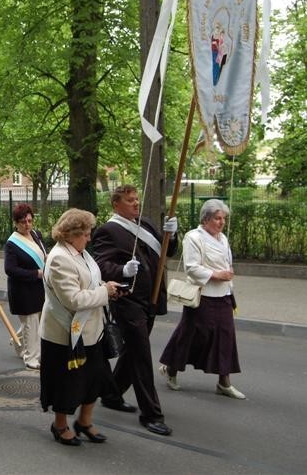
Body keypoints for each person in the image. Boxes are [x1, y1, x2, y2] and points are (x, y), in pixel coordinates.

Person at [91, 185, 178, 436]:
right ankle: (151, 414)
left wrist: (172, 236)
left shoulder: (146, 223)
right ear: (116, 204)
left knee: (132, 352)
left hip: (150, 299)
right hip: (127, 301)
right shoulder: (108, 230)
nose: (136, 203)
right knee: (141, 354)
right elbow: (101, 266)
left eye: (136, 199)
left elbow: (167, 253)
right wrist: (122, 271)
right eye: (130, 200)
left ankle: (111, 394)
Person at [40, 208, 121, 446]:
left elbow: (91, 281)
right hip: (65, 334)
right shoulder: (59, 259)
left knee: (95, 379)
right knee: (67, 384)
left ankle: (84, 422)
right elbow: (73, 299)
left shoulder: (80, 252)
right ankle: (60, 424)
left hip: (91, 331)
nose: (89, 238)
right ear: (70, 234)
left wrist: (109, 287)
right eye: (85, 233)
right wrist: (104, 293)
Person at [159, 199, 245, 399]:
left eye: (223, 218)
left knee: (226, 337)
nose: (221, 222)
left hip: (223, 295)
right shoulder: (193, 237)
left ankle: (224, 382)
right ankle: (171, 369)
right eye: (217, 218)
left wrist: (228, 274)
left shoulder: (222, 238)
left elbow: (226, 262)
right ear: (206, 219)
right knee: (191, 335)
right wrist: (218, 275)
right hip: (201, 296)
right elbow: (192, 267)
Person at [3, 203, 46, 370]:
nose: (27, 225)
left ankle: (17, 339)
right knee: (31, 323)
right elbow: (10, 269)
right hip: (23, 289)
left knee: (34, 322)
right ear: (16, 223)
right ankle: (31, 358)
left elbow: (41, 253)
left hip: (40, 287)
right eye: (22, 222)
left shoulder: (36, 234)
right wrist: (36, 273)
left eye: (29, 220)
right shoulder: (11, 243)